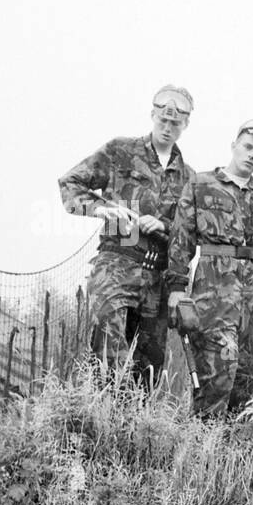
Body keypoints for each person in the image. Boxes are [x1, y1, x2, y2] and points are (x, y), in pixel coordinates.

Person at [59, 84, 196, 385]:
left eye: (175, 122)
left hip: (157, 277)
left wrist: (164, 226)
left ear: (185, 125)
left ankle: (135, 427)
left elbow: (191, 236)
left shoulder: (190, 178)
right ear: (152, 115)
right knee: (110, 348)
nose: (168, 127)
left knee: (148, 365)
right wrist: (101, 209)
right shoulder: (120, 151)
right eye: (163, 119)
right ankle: (102, 421)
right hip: (117, 262)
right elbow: (70, 183)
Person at [165, 119, 253, 417]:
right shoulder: (200, 183)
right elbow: (180, 239)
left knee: (245, 377)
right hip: (212, 289)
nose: (252, 154)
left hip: (250, 296)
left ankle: (226, 452)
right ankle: (201, 448)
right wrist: (176, 290)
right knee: (216, 374)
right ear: (234, 146)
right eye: (248, 147)